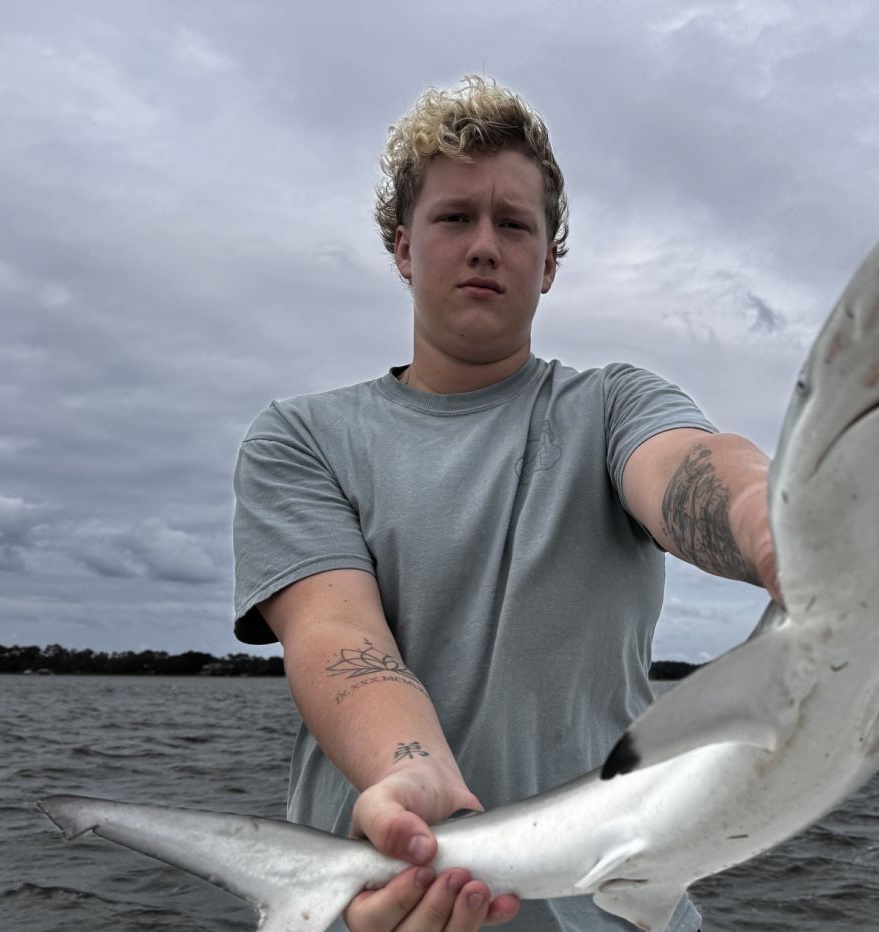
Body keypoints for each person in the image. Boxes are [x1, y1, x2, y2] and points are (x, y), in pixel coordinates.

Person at [231, 76, 778, 932]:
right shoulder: (301, 438)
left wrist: (790, 528)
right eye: (454, 218)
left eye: (514, 224)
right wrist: (415, 782)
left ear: (550, 261)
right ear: (402, 246)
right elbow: (338, 636)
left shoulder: (612, 407)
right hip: (385, 900)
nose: (484, 245)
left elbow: (693, 472)